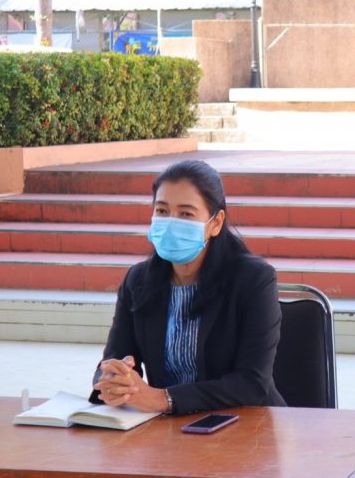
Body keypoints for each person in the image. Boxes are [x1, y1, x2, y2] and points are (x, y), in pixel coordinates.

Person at [90, 159, 286, 415]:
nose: (171, 222)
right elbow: (113, 360)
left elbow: (252, 383)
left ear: (216, 223)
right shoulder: (138, 280)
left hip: (246, 425)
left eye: (186, 214)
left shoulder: (253, 279)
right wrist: (114, 381)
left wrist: (165, 399)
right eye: (162, 211)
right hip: (166, 428)